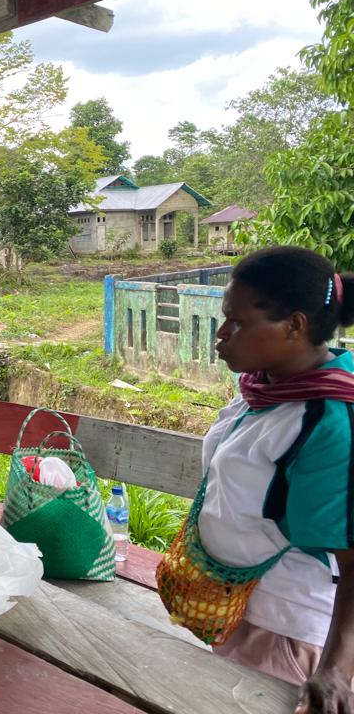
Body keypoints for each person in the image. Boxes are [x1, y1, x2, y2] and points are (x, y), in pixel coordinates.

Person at [174, 246, 354, 713]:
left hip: (282, 637)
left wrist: (334, 670)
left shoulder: (325, 423)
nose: (221, 333)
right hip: (238, 616)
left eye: (237, 322)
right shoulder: (265, 389)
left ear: (294, 326)